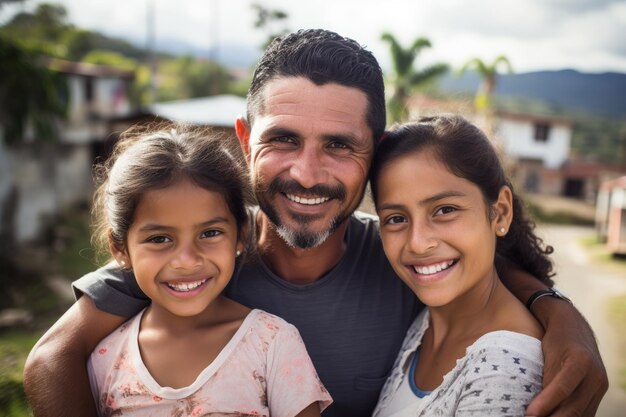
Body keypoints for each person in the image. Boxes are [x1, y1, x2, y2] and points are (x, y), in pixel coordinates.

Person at [24, 29, 607, 417]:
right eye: (283, 139)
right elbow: (51, 358)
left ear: (373, 154)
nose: (307, 173)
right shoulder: (198, 252)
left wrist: (563, 317)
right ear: (245, 139)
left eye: (337, 145)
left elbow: (493, 267)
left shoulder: (405, 256)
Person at [84, 122, 331, 416]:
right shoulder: (103, 361)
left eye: (210, 233)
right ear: (120, 249)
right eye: (160, 239)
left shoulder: (271, 344)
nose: (187, 260)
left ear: (240, 235)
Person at [371, 115, 551, 415]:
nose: (417, 243)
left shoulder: (504, 369)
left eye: (444, 210)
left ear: (500, 213)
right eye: (396, 218)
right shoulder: (425, 324)